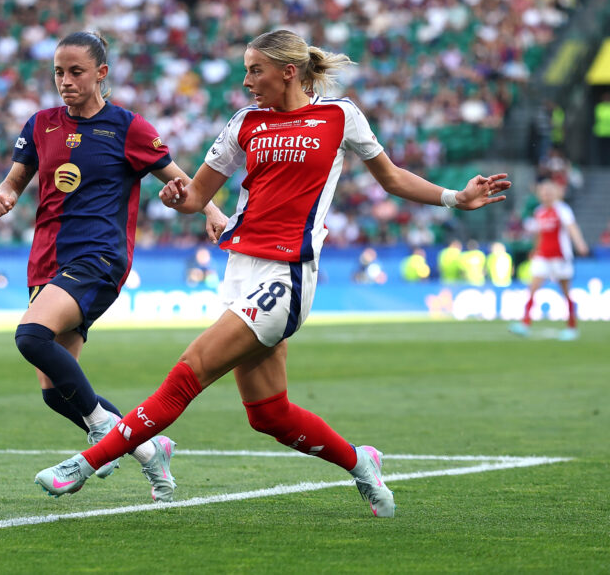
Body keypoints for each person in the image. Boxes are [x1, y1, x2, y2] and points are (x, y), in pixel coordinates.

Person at [34, 29, 511, 517]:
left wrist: (456, 197)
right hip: (240, 269)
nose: (246, 81)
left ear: (289, 72)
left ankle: (85, 463)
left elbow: (392, 178)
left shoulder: (339, 116)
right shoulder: (244, 123)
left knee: (189, 371)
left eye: (254, 70)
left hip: (287, 274)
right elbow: (196, 196)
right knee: (269, 415)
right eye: (244, 70)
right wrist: (178, 199)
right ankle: (362, 463)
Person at [0, 31, 228, 503]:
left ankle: (102, 429)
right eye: (59, 71)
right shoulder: (41, 124)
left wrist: (212, 211)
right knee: (56, 391)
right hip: (47, 263)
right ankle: (149, 449)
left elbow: (180, 179)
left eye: (76, 71)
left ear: (101, 73)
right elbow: (17, 177)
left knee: (30, 336)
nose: (65, 81)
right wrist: (6, 194)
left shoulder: (127, 127)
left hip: (98, 257)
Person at [509, 181, 589, 341]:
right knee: (532, 289)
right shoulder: (539, 211)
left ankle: (572, 327)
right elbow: (539, 234)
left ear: (555, 193)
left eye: (549, 192)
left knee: (566, 292)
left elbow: (572, 227)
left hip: (560, 257)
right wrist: (534, 249)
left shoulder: (562, 209)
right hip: (543, 256)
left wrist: (580, 244)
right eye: (543, 192)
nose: (546, 195)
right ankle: (525, 323)